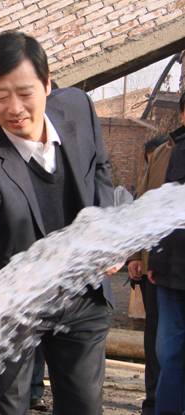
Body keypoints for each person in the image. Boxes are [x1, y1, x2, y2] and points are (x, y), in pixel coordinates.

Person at [0, 31, 114, 415]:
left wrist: (107, 228)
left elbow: (100, 167)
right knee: (7, 406)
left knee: (84, 406)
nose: (15, 108)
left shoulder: (78, 108)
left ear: (47, 84)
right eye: (0, 96)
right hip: (13, 305)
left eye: (25, 93)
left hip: (79, 292)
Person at [127, 134, 175, 415]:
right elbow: (142, 207)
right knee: (159, 337)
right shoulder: (163, 154)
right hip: (157, 267)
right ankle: (154, 400)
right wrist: (135, 255)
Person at [147, 91, 185, 415]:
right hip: (171, 273)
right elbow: (154, 207)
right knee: (170, 353)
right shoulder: (170, 151)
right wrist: (148, 259)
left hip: (170, 269)